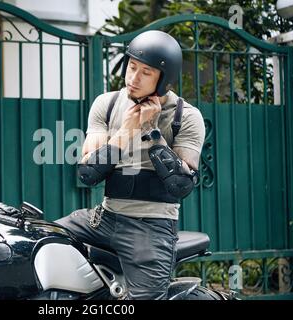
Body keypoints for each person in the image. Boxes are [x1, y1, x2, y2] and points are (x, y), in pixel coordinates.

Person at [56, 30, 205, 300]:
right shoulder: (108, 103)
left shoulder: (186, 116)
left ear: (164, 79)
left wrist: (151, 131)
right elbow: (89, 173)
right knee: (39, 239)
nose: (133, 78)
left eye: (146, 72)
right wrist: (127, 130)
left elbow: (180, 185)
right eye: (132, 67)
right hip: (103, 218)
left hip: (152, 227)